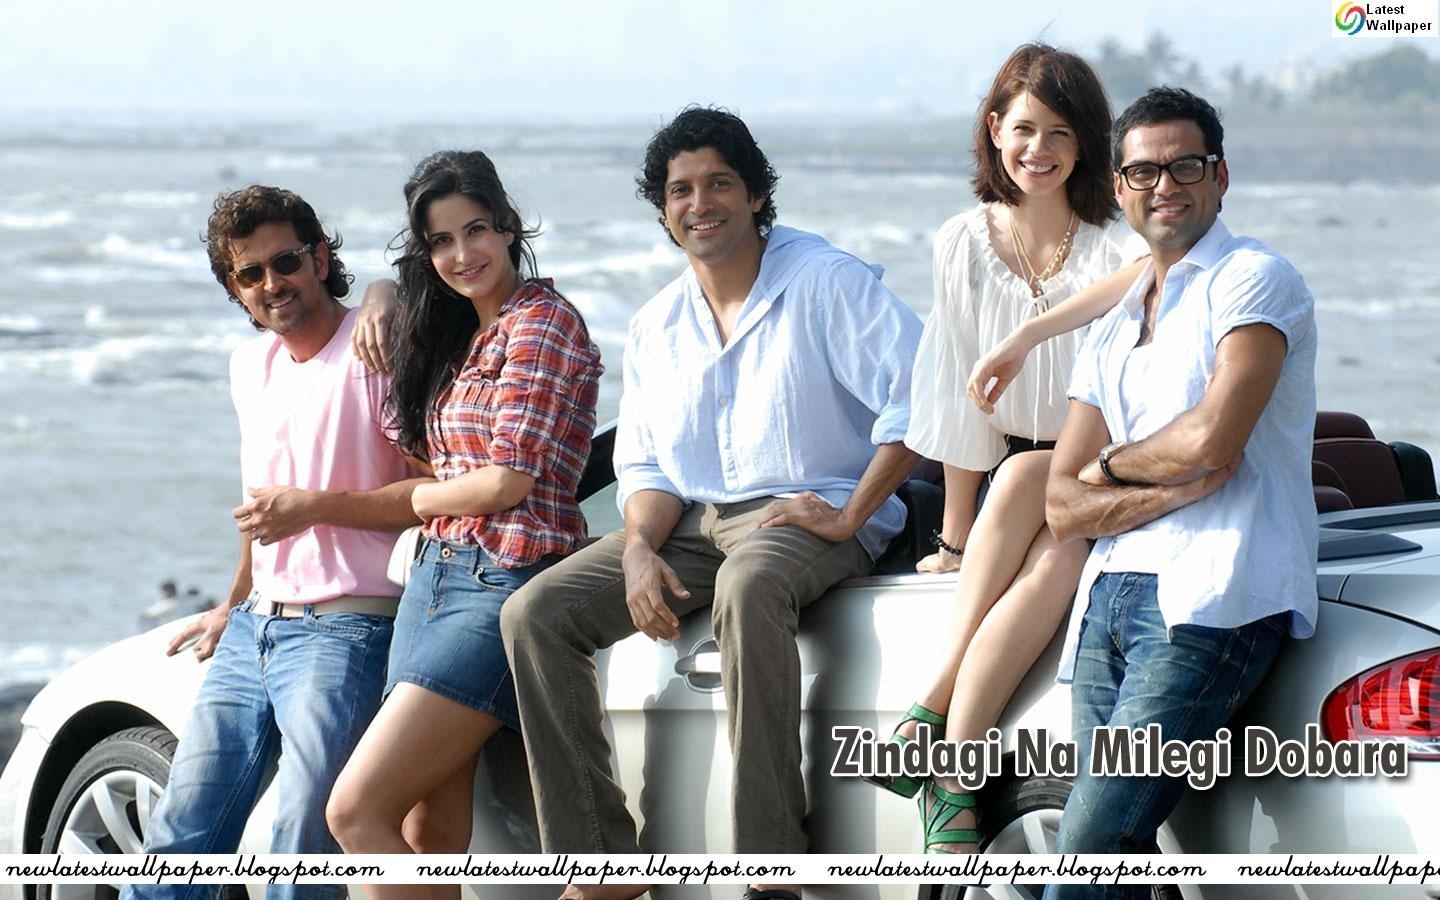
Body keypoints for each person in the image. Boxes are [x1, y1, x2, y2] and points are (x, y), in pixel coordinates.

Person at [499, 106, 922, 900]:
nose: (701, 204)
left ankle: (771, 871)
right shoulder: (658, 323)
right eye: (681, 190)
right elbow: (650, 465)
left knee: (750, 583)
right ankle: (599, 869)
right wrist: (636, 550)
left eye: (720, 183)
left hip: (812, 506)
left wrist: (849, 515)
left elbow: (924, 399)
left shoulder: (825, 281)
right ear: (663, 211)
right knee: (535, 613)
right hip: (697, 522)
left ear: (757, 194)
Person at [1043, 87, 1318, 897]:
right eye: (1143, 171)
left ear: (1220, 175)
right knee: (1118, 863)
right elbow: (1059, 505)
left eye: (1185, 166)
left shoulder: (1255, 280)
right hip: (1107, 595)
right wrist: (1156, 490)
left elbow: (1211, 440)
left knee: (1088, 850)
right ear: (1119, 188)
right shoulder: (1113, 322)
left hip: (1211, 598)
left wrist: (1109, 470)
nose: (1164, 185)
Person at [869, 44, 1143, 854]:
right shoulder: (962, 240)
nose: (1039, 149)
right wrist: (954, 538)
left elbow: (1148, 276)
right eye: (1024, 129)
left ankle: (935, 726)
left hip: (1100, 470)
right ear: (994, 131)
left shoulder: (1112, 241)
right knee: (1025, 485)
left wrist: (1029, 334)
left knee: (1046, 517)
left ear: (1086, 142)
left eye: (1061, 132)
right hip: (1013, 483)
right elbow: (957, 392)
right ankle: (950, 765)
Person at [126, 186, 423, 900]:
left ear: (319, 259)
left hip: (347, 631)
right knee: (178, 840)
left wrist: (317, 509)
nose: (271, 283)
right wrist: (233, 603)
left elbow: (438, 491)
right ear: (234, 288)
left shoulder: (377, 349)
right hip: (252, 631)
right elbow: (260, 513)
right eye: (250, 273)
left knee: (303, 850)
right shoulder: (249, 366)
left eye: (285, 262)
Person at [324, 151, 602, 900]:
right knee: (427, 831)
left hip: (501, 582)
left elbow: (508, 481)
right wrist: (384, 293)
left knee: (355, 811)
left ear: (508, 227)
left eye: (475, 230)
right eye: (441, 241)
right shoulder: (459, 334)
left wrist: (420, 502)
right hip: (433, 580)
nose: (461, 254)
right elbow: (416, 440)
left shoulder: (542, 323)